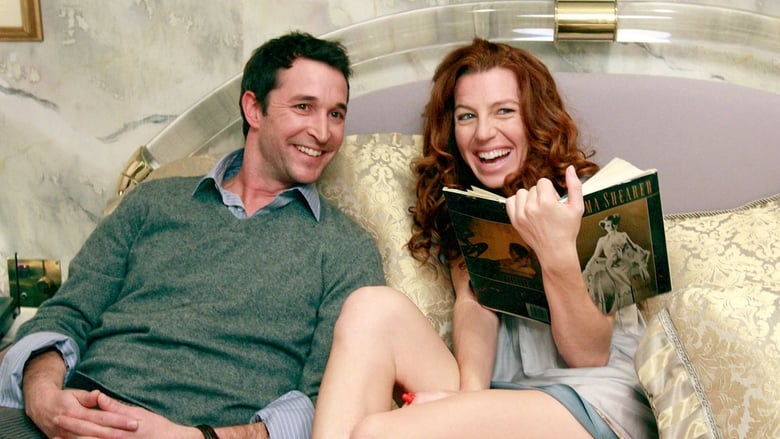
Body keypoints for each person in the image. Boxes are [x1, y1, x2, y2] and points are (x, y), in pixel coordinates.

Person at [0, 31, 384, 439]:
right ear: (254, 108)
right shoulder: (151, 202)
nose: (323, 132)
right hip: (75, 415)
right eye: (304, 107)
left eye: (336, 114)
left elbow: (326, 402)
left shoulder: (347, 249)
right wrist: (43, 398)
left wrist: (200, 438)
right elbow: (68, 312)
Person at [311, 38, 657, 439]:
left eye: (504, 111)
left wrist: (556, 249)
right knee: (370, 308)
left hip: (592, 405)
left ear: (534, 118)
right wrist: (464, 401)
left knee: (377, 432)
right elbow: (475, 305)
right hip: (502, 399)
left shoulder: (587, 201)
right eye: (466, 116)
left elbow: (589, 355)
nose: (483, 133)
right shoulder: (468, 204)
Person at [583, 214, 651, 313]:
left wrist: (642, 254)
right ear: (605, 227)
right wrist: (587, 267)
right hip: (610, 266)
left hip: (625, 264)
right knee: (602, 281)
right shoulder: (602, 240)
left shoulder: (623, 235)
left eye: (612, 225)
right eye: (607, 225)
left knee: (627, 289)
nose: (610, 227)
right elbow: (595, 256)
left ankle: (629, 309)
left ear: (615, 225)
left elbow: (634, 247)